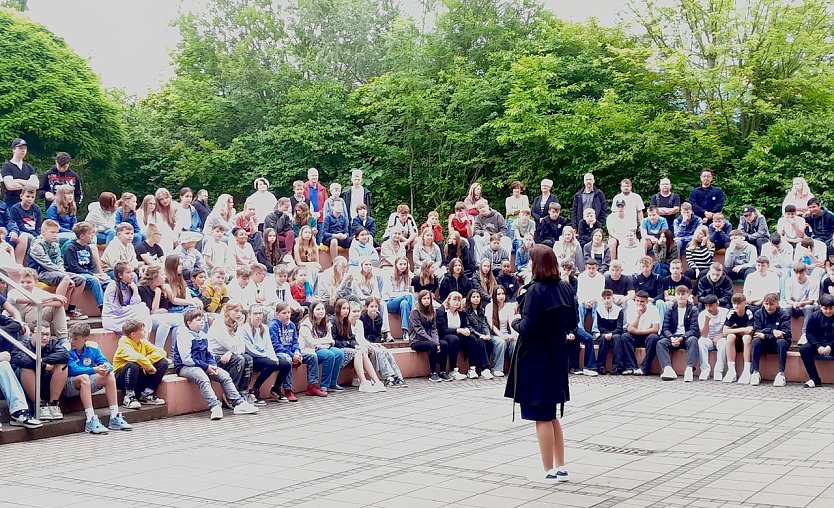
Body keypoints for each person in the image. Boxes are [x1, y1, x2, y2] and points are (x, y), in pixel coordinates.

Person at [504, 244, 574, 482]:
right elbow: (572, 323)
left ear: (537, 265)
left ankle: (548, 471)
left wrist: (515, 320)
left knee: (541, 415)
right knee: (551, 413)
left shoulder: (534, 291)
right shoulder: (565, 287)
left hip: (535, 358)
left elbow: (527, 328)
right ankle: (561, 467)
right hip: (557, 355)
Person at [173, 308, 258, 420]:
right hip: (186, 367)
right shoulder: (183, 336)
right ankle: (215, 406)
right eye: (198, 320)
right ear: (189, 323)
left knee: (224, 375)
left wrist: (213, 365)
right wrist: (206, 367)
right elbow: (187, 359)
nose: (202, 322)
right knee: (202, 377)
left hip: (203, 365)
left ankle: (237, 403)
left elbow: (209, 354)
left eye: (202, 319)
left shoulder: (203, 335)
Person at [65, 323, 133, 434]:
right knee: (84, 378)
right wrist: (94, 369)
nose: (72, 341)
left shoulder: (92, 348)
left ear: (85, 339)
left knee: (109, 375)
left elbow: (106, 363)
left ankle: (115, 416)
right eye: (70, 337)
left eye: (76, 339)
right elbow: (73, 370)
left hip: (87, 382)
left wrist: (105, 367)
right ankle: (90, 419)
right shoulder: (66, 348)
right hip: (69, 384)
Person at [28, 219, 87, 319]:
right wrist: (65, 274)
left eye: (57, 232)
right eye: (52, 232)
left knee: (81, 280)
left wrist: (63, 271)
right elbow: (47, 264)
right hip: (40, 272)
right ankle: (58, 311)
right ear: (43, 232)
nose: (55, 235)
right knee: (65, 278)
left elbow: (59, 260)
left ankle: (71, 310)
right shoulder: (36, 245)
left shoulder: (55, 244)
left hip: (56, 272)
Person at [13, 321, 69, 421]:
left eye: (47, 334)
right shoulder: (21, 345)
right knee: (26, 367)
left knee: (62, 365)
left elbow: (65, 355)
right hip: (25, 384)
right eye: (41, 334)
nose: (45, 337)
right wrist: (43, 365)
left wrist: (42, 361)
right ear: (31, 334)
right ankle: (38, 405)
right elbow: (20, 360)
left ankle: (53, 404)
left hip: (46, 382)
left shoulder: (53, 343)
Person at [238, 304, 292, 402]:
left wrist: (273, 356)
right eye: (255, 313)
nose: (258, 316)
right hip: (253, 358)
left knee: (286, 364)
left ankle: (275, 389)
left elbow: (269, 346)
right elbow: (250, 349)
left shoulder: (265, 328)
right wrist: (268, 357)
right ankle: (254, 390)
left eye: (260, 313)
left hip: (265, 357)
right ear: (249, 315)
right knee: (271, 363)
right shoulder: (244, 329)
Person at [112, 319, 168, 408]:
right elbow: (136, 357)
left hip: (139, 375)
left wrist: (146, 362)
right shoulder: (123, 345)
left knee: (163, 362)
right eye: (142, 330)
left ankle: (147, 394)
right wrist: (149, 367)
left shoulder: (142, 342)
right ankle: (129, 396)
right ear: (133, 334)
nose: (144, 331)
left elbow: (161, 352)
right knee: (133, 364)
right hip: (123, 378)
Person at [208, 303, 254, 404]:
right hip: (215, 358)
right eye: (236, 311)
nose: (239, 314)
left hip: (228, 356)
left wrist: (230, 352)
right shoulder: (219, 325)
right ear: (227, 311)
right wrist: (240, 328)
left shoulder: (235, 324)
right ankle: (231, 396)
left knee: (248, 358)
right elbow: (233, 346)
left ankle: (242, 392)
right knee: (239, 359)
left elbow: (242, 347)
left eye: (240, 311)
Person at [8, 268, 70, 339]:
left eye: (29, 282)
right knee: (32, 306)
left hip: (35, 319)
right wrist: (52, 296)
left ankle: (63, 338)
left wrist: (42, 304)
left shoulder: (37, 291)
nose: (25, 285)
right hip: (18, 321)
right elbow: (29, 300)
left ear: (36, 282)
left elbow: (59, 303)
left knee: (57, 308)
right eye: (22, 282)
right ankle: (34, 337)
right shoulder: (13, 292)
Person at [297, 301, 343, 396]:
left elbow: (331, 340)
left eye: (322, 309)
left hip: (324, 347)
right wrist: (324, 342)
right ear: (312, 311)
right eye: (318, 309)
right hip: (309, 349)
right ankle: (324, 385)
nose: (321, 311)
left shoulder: (327, 323)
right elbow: (311, 342)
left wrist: (321, 342)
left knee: (339, 353)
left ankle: (333, 383)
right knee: (329, 355)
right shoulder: (306, 324)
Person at [63, 221, 111, 311]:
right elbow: (73, 268)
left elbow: (92, 265)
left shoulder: (87, 248)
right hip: (76, 273)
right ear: (82, 236)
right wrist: (93, 275)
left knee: (109, 281)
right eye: (90, 233)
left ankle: (113, 306)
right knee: (94, 280)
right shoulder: (71, 248)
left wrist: (99, 275)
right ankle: (102, 307)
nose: (93, 235)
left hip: (88, 273)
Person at [656, 285, 700, 381]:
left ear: (688, 295)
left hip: (686, 337)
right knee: (660, 343)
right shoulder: (670, 309)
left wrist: (682, 338)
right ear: (675, 295)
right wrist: (671, 337)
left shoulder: (693, 310)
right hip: (673, 337)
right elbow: (665, 328)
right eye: (678, 294)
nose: (680, 296)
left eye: (683, 294)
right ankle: (667, 369)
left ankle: (689, 369)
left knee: (693, 340)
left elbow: (694, 329)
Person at [138, 264, 185, 348]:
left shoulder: (162, 289)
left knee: (180, 321)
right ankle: (158, 349)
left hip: (159, 317)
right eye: (162, 274)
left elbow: (165, 309)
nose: (165, 277)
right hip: (147, 320)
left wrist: (160, 292)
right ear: (154, 277)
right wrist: (157, 293)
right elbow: (152, 311)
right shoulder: (142, 289)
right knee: (166, 321)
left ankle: (173, 352)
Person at [751, 292, 791, 387]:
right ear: (763, 303)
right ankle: (755, 372)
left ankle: (781, 374)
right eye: (766, 304)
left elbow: (785, 334)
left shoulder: (784, 314)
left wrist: (765, 335)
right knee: (756, 340)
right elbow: (757, 331)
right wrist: (772, 331)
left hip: (777, 344)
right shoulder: (758, 313)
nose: (769, 307)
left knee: (781, 342)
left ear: (777, 303)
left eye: (772, 304)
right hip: (764, 342)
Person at [617, 291, 661, 376]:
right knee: (625, 336)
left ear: (647, 301)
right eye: (637, 301)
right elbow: (630, 328)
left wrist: (638, 332)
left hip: (648, 335)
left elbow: (655, 329)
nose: (639, 303)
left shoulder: (653, 309)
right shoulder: (631, 309)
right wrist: (638, 316)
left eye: (642, 301)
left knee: (654, 338)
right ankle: (631, 367)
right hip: (635, 336)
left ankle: (644, 368)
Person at [409, 290, 450, 382]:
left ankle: (443, 371)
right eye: (424, 298)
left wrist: (437, 342)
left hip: (430, 339)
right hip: (417, 340)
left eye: (428, 298)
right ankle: (433, 373)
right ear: (420, 300)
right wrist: (433, 342)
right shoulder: (415, 312)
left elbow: (434, 329)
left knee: (444, 344)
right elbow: (419, 330)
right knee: (433, 345)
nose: (427, 300)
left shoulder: (432, 311)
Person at [102, 262, 152, 335]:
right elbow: (117, 310)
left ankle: (144, 338)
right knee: (142, 309)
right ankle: (143, 337)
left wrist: (135, 291)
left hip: (125, 315)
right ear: (120, 275)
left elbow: (135, 303)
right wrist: (135, 308)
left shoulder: (130, 285)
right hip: (113, 318)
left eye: (132, 271)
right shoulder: (113, 286)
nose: (132, 274)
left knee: (143, 310)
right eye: (128, 272)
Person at [800, 294, 834, 388]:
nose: (828, 311)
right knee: (804, 349)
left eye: (831, 308)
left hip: (832, 344)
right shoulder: (814, 316)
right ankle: (815, 379)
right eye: (825, 308)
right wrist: (818, 346)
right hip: (818, 344)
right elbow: (809, 334)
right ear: (820, 307)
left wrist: (830, 346)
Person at [436, 292, 470, 381]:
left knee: (473, 339)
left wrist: (466, 329)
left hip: (457, 335)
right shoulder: (441, 311)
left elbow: (464, 325)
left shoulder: (461, 313)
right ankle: (453, 370)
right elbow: (443, 330)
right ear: (448, 300)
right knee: (454, 339)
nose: (457, 302)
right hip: (444, 336)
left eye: (459, 300)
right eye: (454, 299)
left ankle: (474, 368)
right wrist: (459, 330)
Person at [485, 285, 519, 377]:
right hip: (494, 334)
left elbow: (511, 322)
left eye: (503, 294)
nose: (501, 296)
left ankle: (515, 369)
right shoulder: (489, 307)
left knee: (514, 343)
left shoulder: (508, 306)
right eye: (498, 294)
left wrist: (513, 334)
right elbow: (491, 325)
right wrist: (502, 336)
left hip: (506, 333)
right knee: (501, 342)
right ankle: (497, 369)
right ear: (494, 295)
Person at [781, 263, 819, 343]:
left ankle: (804, 334)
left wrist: (800, 304)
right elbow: (788, 299)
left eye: (801, 273)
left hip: (806, 307)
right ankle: (785, 332)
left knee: (809, 307)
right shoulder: (789, 281)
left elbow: (812, 300)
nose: (799, 275)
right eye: (797, 273)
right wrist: (794, 304)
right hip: (794, 306)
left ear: (806, 271)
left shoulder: (812, 281)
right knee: (786, 309)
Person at [722, 293, 755, 384]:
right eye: (734, 303)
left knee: (746, 338)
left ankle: (747, 370)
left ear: (745, 303)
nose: (736, 306)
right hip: (736, 340)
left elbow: (750, 330)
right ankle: (731, 371)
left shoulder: (749, 312)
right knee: (730, 337)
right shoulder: (731, 313)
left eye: (739, 303)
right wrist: (742, 329)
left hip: (747, 341)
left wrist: (735, 330)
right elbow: (725, 331)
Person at [697, 295, 729, 381]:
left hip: (721, 338)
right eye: (706, 306)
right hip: (708, 339)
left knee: (723, 343)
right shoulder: (702, 315)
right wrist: (707, 321)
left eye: (711, 305)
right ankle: (705, 370)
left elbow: (730, 329)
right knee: (701, 341)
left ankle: (718, 371)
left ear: (717, 304)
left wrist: (720, 336)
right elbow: (703, 335)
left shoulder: (725, 312)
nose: (708, 308)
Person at [383, 256, 414, 338]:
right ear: (395, 264)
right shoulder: (388, 274)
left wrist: (404, 294)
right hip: (390, 302)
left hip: (401, 302)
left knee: (405, 304)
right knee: (409, 295)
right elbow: (390, 294)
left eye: (405, 264)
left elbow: (406, 290)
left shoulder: (407, 276)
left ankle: (405, 331)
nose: (403, 266)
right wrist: (404, 294)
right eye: (400, 264)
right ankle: (414, 318)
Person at [2, 138, 39, 207]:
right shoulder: (7, 167)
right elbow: (10, 186)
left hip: (28, 203)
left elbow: (36, 185)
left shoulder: (29, 167)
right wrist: (28, 184)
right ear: (13, 149)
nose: (23, 150)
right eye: (20, 148)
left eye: (25, 148)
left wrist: (18, 180)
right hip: (11, 203)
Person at [303, 167, 328, 232]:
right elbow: (302, 203)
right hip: (308, 218)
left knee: (320, 237)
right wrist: (311, 213)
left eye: (316, 175)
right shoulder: (303, 188)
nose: (314, 177)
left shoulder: (323, 189)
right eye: (312, 175)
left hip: (320, 218)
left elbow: (326, 204)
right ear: (308, 176)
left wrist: (320, 213)